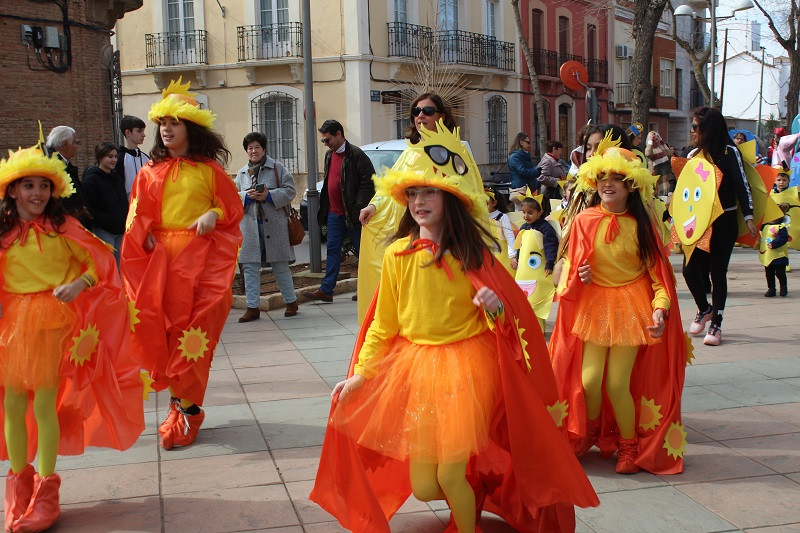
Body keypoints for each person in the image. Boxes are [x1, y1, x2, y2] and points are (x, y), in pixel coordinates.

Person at [310, 122, 598, 533]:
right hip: (414, 367)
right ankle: (471, 494)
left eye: (429, 192)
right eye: (412, 193)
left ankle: (466, 526)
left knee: (448, 475)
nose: (419, 201)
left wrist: (495, 306)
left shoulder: (470, 252)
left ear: (449, 199)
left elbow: (504, 322)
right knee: (425, 486)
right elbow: (384, 324)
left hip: (466, 366)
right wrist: (361, 373)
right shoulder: (397, 254)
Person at [0, 139, 143, 532]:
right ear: (13, 190)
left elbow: (99, 261)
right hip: (12, 327)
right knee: (13, 403)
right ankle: (19, 489)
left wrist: (79, 284)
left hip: (51, 323)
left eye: (44, 186)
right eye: (28, 185)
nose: (37, 194)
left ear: (55, 190)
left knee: (44, 403)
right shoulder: (4, 231)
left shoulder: (63, 227)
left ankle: (46, 491)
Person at [549, 133, 687, 476]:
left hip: (632, 309)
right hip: (595, 308)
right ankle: (593, 431)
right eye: (602, 178)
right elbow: (569, 275)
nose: (608, 185)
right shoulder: (583, 221)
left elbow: (659, 278)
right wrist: (579, 278)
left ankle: (628, 446)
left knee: (616, 383)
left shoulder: (642, 226)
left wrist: (660, 308)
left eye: (616, 179)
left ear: (631, 186)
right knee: (590, 381)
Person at [121, 77, 243, 450]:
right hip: (161, 266)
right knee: (166, 334)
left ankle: (189, 410)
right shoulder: (148, 172)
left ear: (190, 127)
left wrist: (212, 213)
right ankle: (178, 403)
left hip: (200, 262)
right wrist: (144, 233)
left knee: (195, 335)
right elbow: (135, 215)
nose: (167, 129)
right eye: (163, 123)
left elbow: (233, 208)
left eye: (175, 122)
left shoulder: (210, 172)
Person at [355, 93, 469, 322]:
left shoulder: (455, 151)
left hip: (443, 233)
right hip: (410, 229)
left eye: (427, 111)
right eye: (416, 112)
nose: (420, 116)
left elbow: (467, 189)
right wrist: (373, 207)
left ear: (442, 116)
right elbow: (390, 188)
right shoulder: (410, 152)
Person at [683, 107, 757, 346]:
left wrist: (748, 216)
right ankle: (704, 309)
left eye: (696, 127)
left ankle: (716, 323)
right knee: (689, 269)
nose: (692, 131)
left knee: (717, 272)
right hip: (699, 223)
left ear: (708, 128)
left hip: (724, 221)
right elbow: (685, 190)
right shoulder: (694, 154)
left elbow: (741, 185)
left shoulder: (730, 152)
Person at [305, 119, 375, 303]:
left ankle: (367, 290)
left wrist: (358, 208)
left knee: (363, 253)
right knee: (332, 250)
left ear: (338, 134)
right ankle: (327, 290)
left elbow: (369, 184)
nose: (325, 144)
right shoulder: (330, 155)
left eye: (327, 140)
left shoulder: (356, 155)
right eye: (323, 141)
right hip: (334, 214)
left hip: (353, 214)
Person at [234, 132, 299, 321]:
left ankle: (291, 302)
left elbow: (290, 191)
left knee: (280, 266)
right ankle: (252, 307)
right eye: (250, 148)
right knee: (250, 267)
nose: (253, 151)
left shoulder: (277, 168)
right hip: (250, 227)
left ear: (263, 149)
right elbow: (233, 197)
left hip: (275, 226)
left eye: (256, 147)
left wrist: (268, 195)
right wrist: (247, 196)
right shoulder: (242, 173)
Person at [82, 142, 129, 265]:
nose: (114, 160)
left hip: (120, 230)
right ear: (100, 157)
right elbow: (88, 209)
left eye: (115, 156)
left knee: (120, 267)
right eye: (110, 156)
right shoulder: (91, 180)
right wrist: (105, 220)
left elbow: (122, 200)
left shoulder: (116, 177)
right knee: (107, 266)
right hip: (104, 231)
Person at [45, 125, 90, 225]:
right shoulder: (53, 164)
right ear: (65, 144)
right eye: (75, 142)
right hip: (65, 222)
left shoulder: (62, 162)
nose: (76, 147)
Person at [519, 197, 558, 274]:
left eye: (530, 213)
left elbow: (550, 245)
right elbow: (519, 247)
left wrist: (549, 263)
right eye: (523, 212)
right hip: (525, 267)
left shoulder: (545, 227)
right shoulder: (524, 227)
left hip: (541, 265)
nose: (526, 216)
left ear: (540, 212)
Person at [115, 115, 150, 198]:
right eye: (139, 131)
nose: (143, 135)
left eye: (143, 131)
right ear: (128, 133)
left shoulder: (147, 158)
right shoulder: (119, 159)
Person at [760, 205, 790, 297]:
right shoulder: (765, 226)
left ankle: (783, 287)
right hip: (768, 256)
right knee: (769, 274)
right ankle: (771, 289)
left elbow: (783, 237)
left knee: (780, 273)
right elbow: (761, 236)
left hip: (779, 255)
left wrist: (774, 243)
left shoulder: (780, 227)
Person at [486, 186, 516, 271]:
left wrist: (512, 256)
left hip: (502, 254)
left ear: (494, 203)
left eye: (486, 203)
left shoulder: (502, 217)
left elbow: (509, 236)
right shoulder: (481, 217)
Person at [538, 140, 567, 215]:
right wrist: (557, 181)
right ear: (554, 149)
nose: (561, 153)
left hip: (556, 191)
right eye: (560, 151)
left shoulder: (556, 160)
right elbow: (541, 177)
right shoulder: (547, 161)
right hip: (550, 193)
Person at [645, 131, 675, 196]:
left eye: (657, 139)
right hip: (658, 182)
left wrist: (662, 142)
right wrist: (650, 141)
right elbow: (648, 153)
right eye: (654, 140)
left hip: (667, 180)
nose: (656, 141)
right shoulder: (651, 150)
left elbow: (670, 154)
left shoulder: (662, 148)